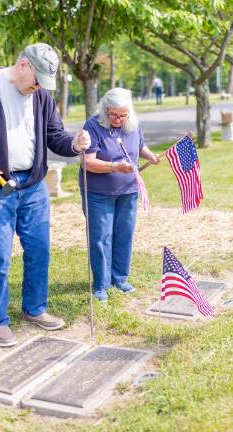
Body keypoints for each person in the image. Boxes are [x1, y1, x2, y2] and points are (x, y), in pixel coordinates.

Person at [0, 43, 91, 348]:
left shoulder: (41, 97)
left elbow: (55, 137)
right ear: (23, 65)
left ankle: (35, 308)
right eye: (37, 79)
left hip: (34, 185)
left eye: (44, 84)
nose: (39, 88)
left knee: (39, 249)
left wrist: (75, 144)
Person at [80, 87, 159, 302]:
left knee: (124, 234)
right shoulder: (93, 126)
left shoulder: (132, 124)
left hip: (128, 190)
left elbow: (140, 145)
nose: (118, 119)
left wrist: (150, 156)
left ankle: (120, 278)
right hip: (99, 192)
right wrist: (115, 167)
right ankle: (101, 285)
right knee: (101, 237)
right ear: (105, 110)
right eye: (114, 114)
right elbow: (88, 161)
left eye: (123, 115)